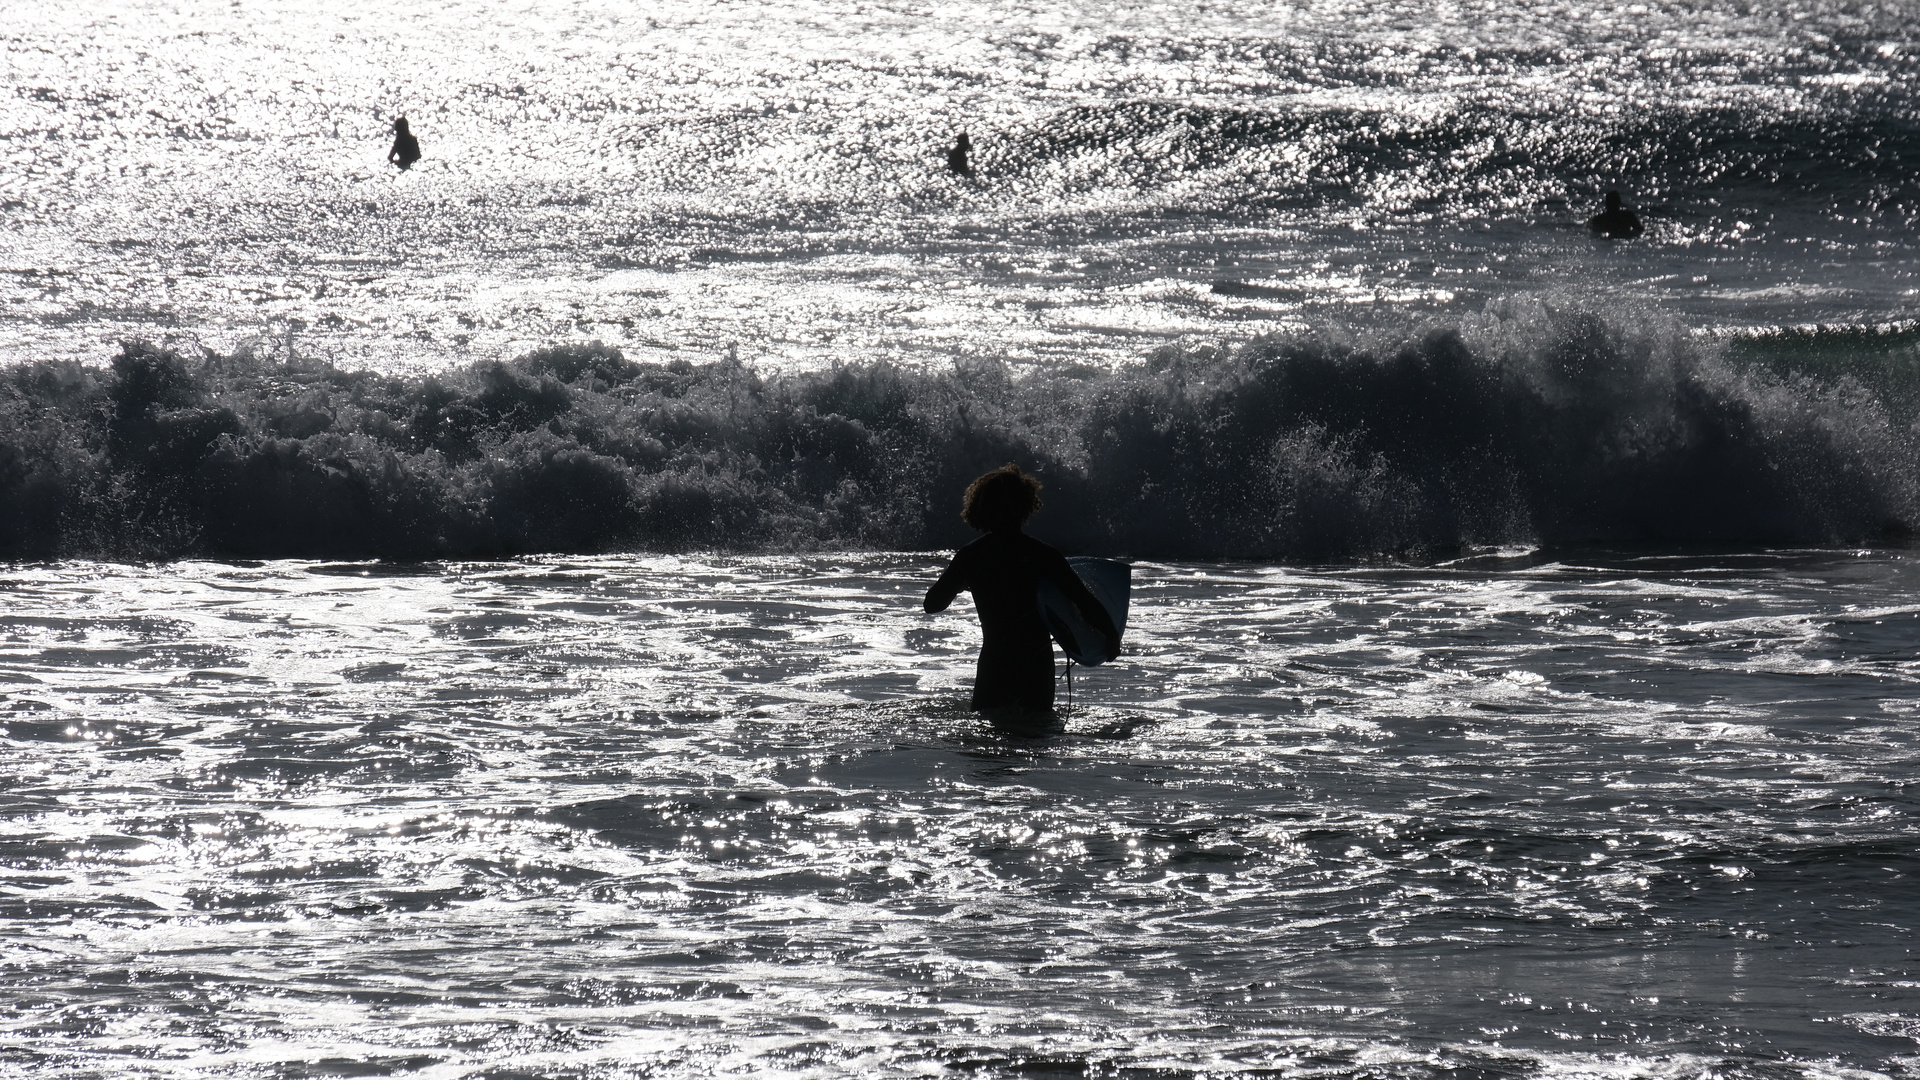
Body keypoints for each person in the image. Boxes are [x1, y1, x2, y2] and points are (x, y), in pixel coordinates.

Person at [924, 464, 1119, 718]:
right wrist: (1111, 636)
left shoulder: (973, 557)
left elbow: (932, 604)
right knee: (1035, 740)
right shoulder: (1043, 555)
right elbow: (1083, 601)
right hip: (1036, 665)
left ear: (981, 509)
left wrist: (962, 583)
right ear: (1025, 507)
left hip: (996, 663)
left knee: (989, 741)